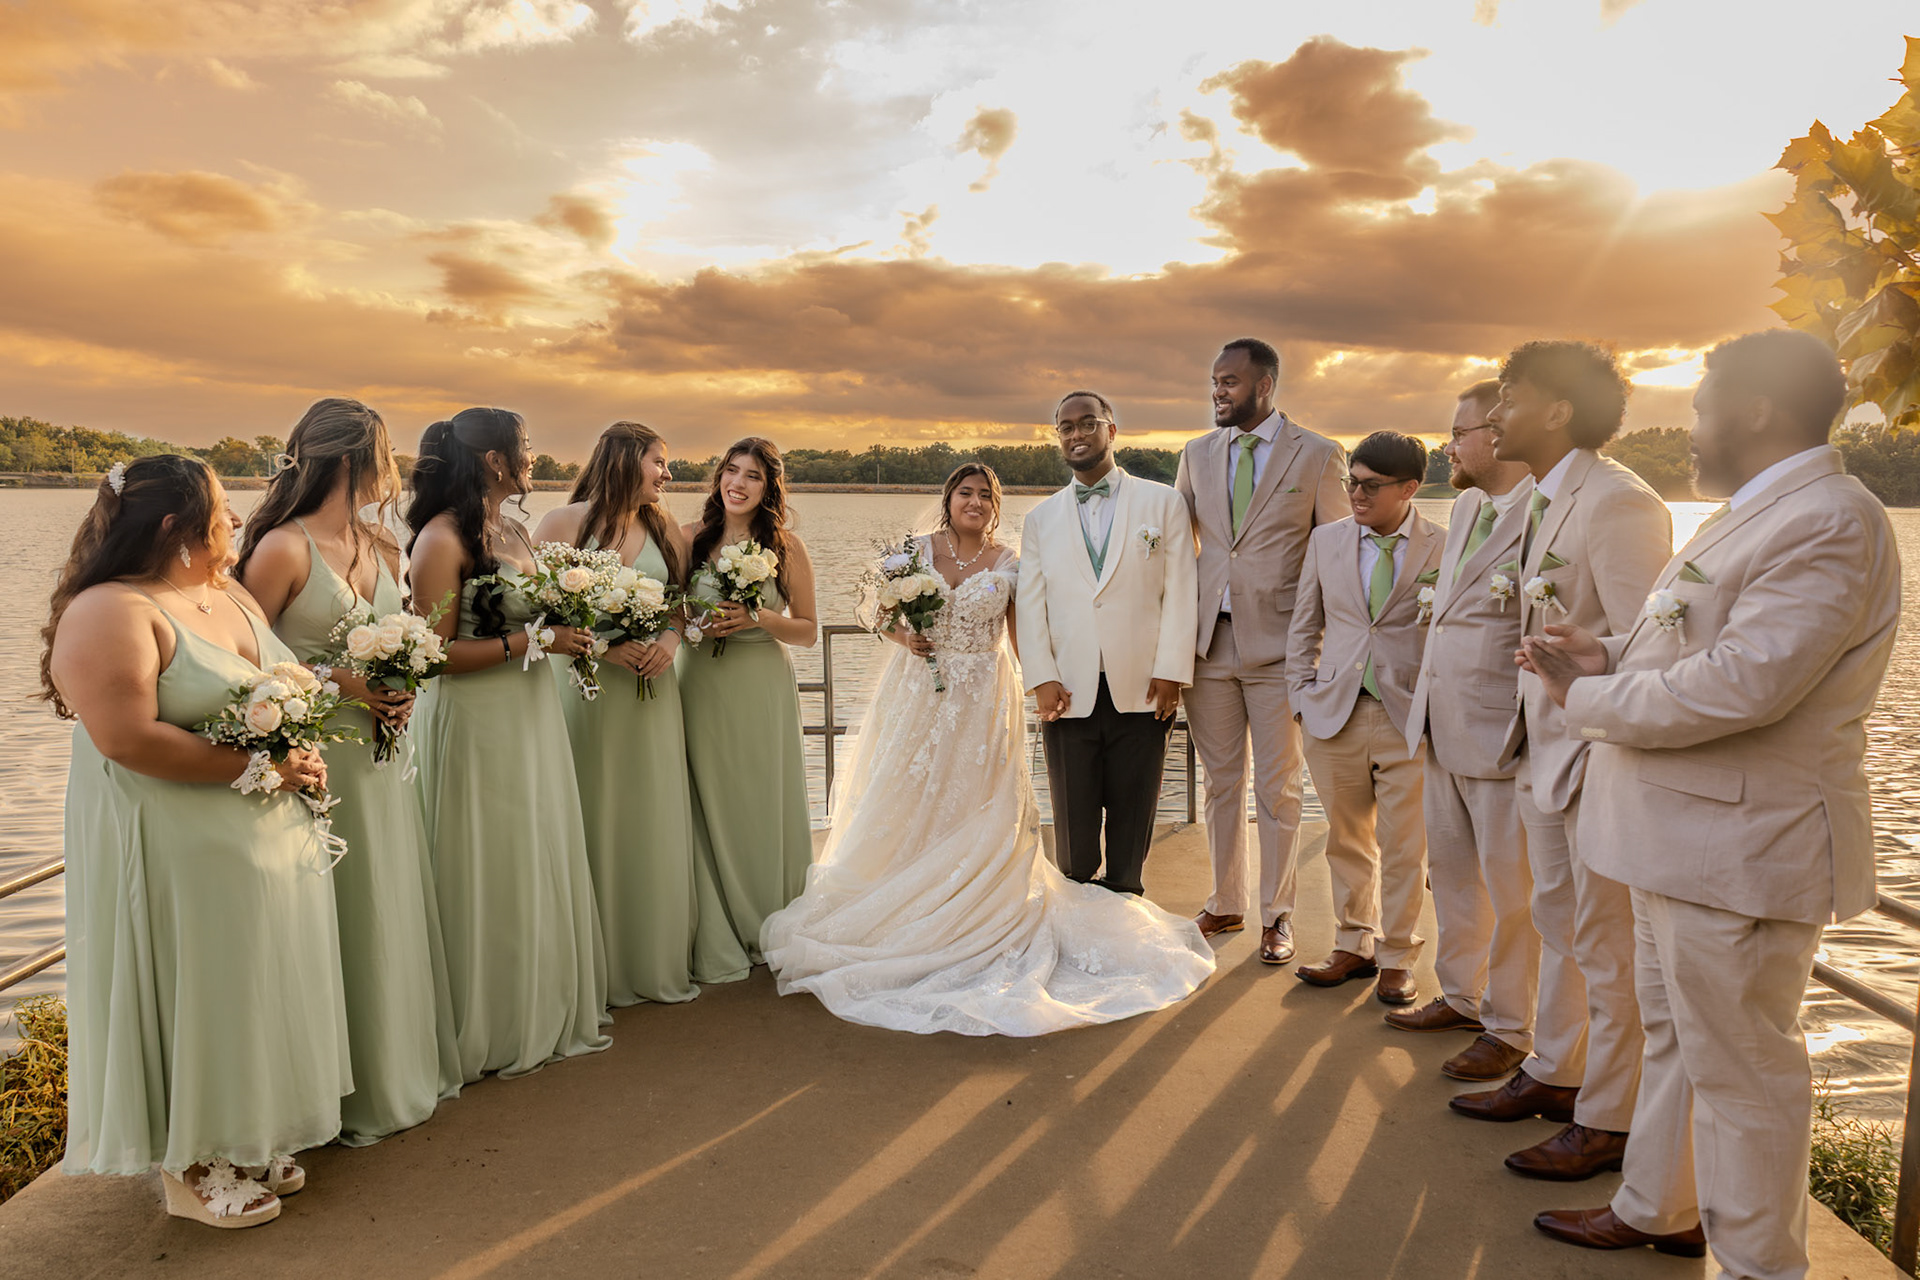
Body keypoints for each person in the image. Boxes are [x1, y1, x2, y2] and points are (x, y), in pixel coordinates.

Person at [1525, 329, 1899, 1273]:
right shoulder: (1761, 510)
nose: (1689, 428)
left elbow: (1744, 685)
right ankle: (1659, 1204)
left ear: (1756, 409)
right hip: (1678, 840)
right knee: (1677, 1042)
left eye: (1700, 407)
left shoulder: (1830, 520)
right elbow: (1696, 642)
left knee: (1746, 1080)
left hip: (1740, 850)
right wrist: (1608, 653)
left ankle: (1761, 1268)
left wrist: (1587, 698)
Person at [762, 464, 1214, 1034]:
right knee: (907, 795)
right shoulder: (913, 551)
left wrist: (1045, 686)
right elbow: (876, 614)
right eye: (965, 493)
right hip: (918, 695)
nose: (973, 502)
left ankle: (979, 896)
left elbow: (1024, 635)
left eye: (984, 495)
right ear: (948, 498)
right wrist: (905, 636)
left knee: (976, 799)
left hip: (982, 697)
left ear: (995, 508)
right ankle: (908, 891)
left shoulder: (1008, 562)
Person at [46, 454, 348, 1227]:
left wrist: (302, 743)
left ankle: (247, 1131)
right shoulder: (111, 610)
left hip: (258, 836)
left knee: (249, 981)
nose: (237, 519)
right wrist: (261, 767)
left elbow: (280, 687)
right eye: (220, 509)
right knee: (199, 984)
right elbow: (126, 739)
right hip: (172, 842)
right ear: (175, 526)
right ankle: (191, 1162)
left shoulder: (226, 590)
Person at [1448, 342, 1672, 1185]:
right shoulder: (1546, 498)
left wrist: (1585, 680)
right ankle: (1555, 1067)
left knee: (1607, 947)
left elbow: (1652, 647)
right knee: (1560, 925)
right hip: (1540, 747)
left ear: (1559, 411)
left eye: (1510, 396)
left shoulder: (1619, 503)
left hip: (1595, 758)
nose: (1496, 412)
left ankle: (1607, 1120)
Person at [237, 397, 460, 1144]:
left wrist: (403, 684)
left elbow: (408, 638)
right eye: (385, 454)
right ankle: (323, 1094)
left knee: (384, 903)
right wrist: (344, 683)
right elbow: (242, 663)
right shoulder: (282, 549)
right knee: (332, 911)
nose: (393, 469)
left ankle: (390, 1072)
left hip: (384, 757)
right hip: (321, 759)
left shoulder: (383, 545)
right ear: (348, 460)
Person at [406, 407, 611, 1081]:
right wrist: (534, 640)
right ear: (494, 460)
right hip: (476, 721)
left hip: (530, 710)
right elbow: (432, 656)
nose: (532, 456)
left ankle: (536, 1002)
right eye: (524, 447)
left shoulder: (517, 529)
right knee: (489, 857)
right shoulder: (441, 539)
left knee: (532, 849)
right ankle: (488, 1020)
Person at [1175, 338, 1348, 965]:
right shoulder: (1195, 453)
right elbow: (1177, 548)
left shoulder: (1318, 454)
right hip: (1208, 648)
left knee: (1279, 790)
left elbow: (1337, 556)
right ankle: (1226, 902)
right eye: (1214, 381)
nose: (1218, 392)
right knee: (1222, 784)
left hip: (1284, 651)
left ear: (1265, 385)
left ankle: (1278, 916)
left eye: (1229, 381)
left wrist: (1325, 650)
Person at [1387, 381, 1541, 1082]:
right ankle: (1460, 995)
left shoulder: (1544, 514)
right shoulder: (1469, 506)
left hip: (1502, 734)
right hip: (1441, 724)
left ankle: (1511, 1027)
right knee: (1451, 876)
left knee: (1513, 894)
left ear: (1498, 433)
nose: (1448, 447)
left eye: (1459, 433)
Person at [534, 422, 700, 1006]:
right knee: (591, 809)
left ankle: (648, 953)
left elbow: (682, 605)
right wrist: (603, 648)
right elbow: (537, 616)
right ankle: (589, 963)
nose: (667, 474)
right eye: (659, 461)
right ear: (627, 460)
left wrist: (670, 643)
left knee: (649, 812)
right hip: (586, 693)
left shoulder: (665, 530)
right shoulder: (562, 525)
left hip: (652, 692)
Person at [1016, 391, 1198, 897]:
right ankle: (1076, 909)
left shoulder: (1163, 503)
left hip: (1144, 687)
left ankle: (1125, 902)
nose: (1076, 434)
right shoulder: (1040, 519)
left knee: (1133, 815)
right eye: (1066, 427)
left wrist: (1172, 671)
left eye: (1087, 423)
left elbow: (1182, 591)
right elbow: (1030, 606)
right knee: (1073, 831)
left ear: (1111, 430)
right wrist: (1042, 677)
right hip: (1066, 693)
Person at [1285, 431, 1442, 1005]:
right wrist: (1301, 696)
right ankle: (1354, 945)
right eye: (1351, 481)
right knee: (1346, 840)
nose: (1356, 494)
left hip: (1410, 719)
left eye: (1371, 486)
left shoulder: (1444, 547)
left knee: (1405, 848)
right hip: (1334, 715)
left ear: (1409, 488)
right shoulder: (1326, 540)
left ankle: (1397, 956)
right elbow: (1305, 623)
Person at [677, 437, 818, 982]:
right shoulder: (687, 538)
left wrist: (756, 617)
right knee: (704, 797)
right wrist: (696, 623)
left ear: (769, 488)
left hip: (761, 686)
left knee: (760, 799)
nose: (737, 483)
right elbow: (670, 612)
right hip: (700, 683)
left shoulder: (787, 547)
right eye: (731, 471)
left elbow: (808, 631)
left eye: (752, 475)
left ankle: (767, 915)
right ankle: (712, 922)